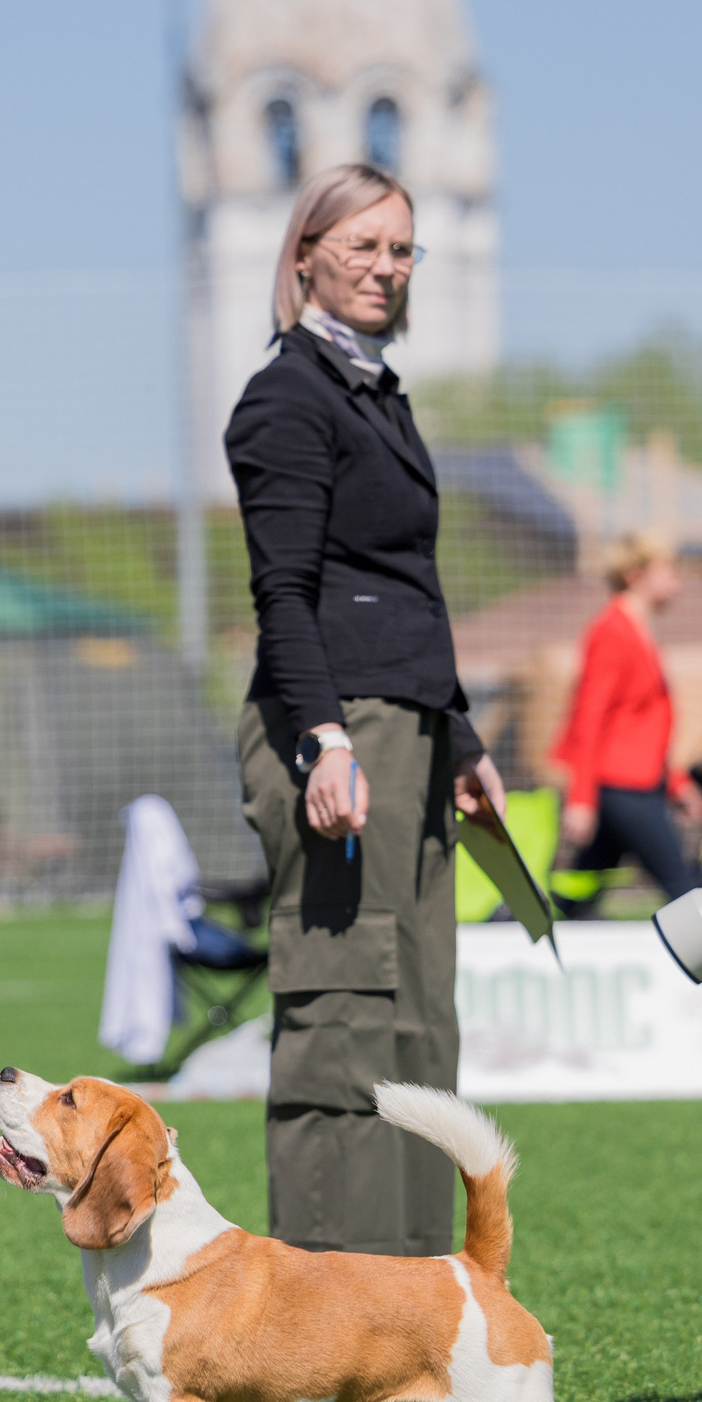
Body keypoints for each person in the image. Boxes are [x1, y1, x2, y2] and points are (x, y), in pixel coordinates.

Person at [225, 161, 509, 1261]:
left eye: (402, 249)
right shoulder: (286, 397)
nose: (387, 268)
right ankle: (322, 1309)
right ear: (305, 258)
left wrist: (461, 739)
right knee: (343, 1021)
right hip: (338, 730)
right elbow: (283, 593)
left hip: (411, 730)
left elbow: (400, 592)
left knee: (416, 1022)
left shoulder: (373, 391)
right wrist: (325, 740)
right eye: (363, 247)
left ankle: (408, 1322)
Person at [547, 534, 702, 917]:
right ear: (636, 575)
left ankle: (543, 945)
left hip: (640, 781)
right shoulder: (611, 632)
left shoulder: (638, 630)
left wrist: (676, 781)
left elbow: (640, 724)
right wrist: (581, 798)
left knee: (581, 892)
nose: (677, 582)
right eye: (668, 571)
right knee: (682, 886)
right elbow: (588, 718)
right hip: (622, 788)